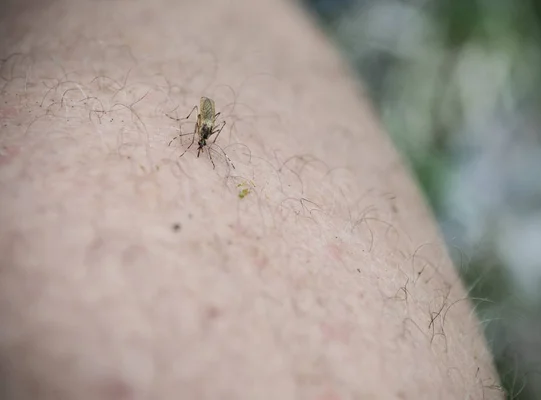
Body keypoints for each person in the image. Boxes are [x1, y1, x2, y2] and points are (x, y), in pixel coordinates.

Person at [0, 0, 502, 398]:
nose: (201, 136)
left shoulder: (211, 122)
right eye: (200, 134)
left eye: (202, 135)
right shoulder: (200, 119)